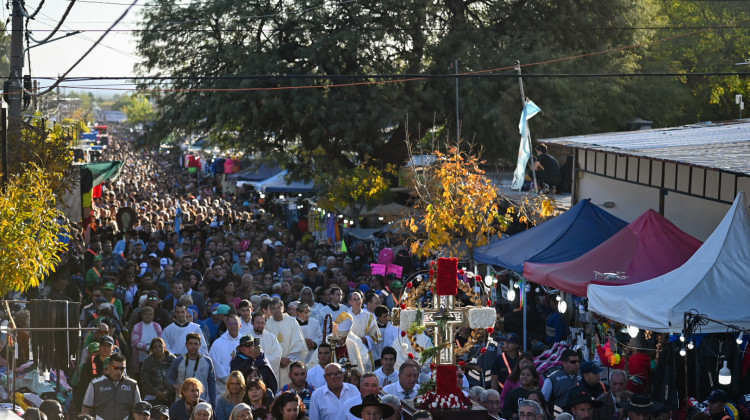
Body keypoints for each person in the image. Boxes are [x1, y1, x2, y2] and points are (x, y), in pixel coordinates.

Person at [82, 353, 141, 420]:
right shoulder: (95, 384)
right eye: (115, 368)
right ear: (109, 367)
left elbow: (138, 409)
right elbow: (87, 408)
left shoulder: (132, 385)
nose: (119, 371)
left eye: (122, 368)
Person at [265, 298, 308, 388]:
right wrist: (278, 359)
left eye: (278, 307)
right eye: (273, 308)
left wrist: (289, 359)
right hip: (275, 365)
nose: (276, 310)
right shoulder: (267, 324)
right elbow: (266, 346)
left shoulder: (292, 322)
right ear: (270, 310)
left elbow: (299, 343)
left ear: (283, 308)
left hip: (290, 363)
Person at [167, 332, 217, 406]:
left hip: (201, 403)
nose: (193, 346)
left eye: (196, 344)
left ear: (200, 345)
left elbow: (212, 383)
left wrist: (213, 403)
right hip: (181, 403)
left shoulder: (207, 361)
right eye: (190, 343)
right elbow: (168, 378)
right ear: (186, 344)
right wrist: (176, 386)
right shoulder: (178, 361)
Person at [210, 314, 244, 391]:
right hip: (222, 385)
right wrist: (228, 380)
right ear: (226, 325)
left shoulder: (244, 342)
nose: (233, 326)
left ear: (240, 326)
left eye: (235, 324)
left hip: (241, 383)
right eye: (230, 324)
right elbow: (215, 363)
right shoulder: (218, 343)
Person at [141, 337, 178, 406]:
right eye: (155, 347)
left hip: (172, 395)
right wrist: (157, 392)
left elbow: (177, 377)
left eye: (160, 346)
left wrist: (167, 391)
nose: (158, 349)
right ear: (152, 349)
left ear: (164, 346)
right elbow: (145, 380)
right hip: (153, 396)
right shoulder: (148, 361)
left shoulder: (173, 359)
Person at [248, 312, 283, 386]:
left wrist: (260, 360)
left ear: (265, 324)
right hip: (250, 375)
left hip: (267, 375)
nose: (260, 326)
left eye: (262, 323)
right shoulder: (246, 336)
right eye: (257, 323)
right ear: (252, 322)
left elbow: (277, 356)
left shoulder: (272, 337)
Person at [131, 306, 164, 374]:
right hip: (141, 359)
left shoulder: (157, 326)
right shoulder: (137, 326)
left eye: (150, 314)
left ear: (153, 315)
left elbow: (161, 340)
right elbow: (135, 342)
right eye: (146, 314)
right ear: (142, 315)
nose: (148, 316)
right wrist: (147, 348)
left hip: (155, 359)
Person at [296, 303, 323, 368]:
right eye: (306, 312)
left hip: (312, 354)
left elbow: (320, 336)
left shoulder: (315, 322)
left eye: (309, 312)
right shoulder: (293, 323)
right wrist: (303, 344)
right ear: (299, 313)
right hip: (298, 355)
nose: (309, 314)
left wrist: (314, 343)